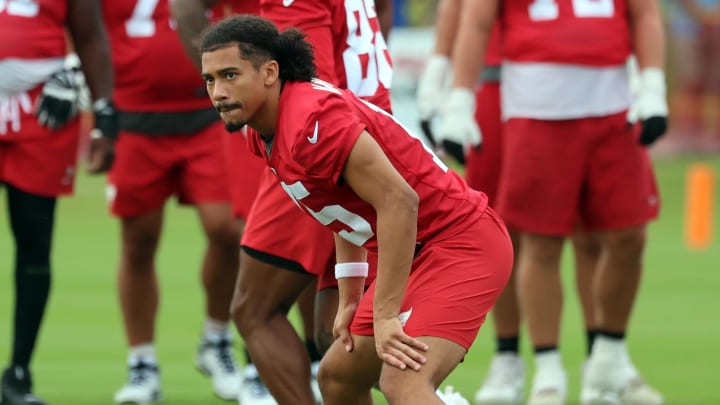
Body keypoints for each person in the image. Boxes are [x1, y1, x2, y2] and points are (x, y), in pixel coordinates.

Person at [199, 14, 514, 405]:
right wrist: (350, 293)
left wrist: (383, 315)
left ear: (269, 72)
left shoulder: (311, 122)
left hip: (460, 245)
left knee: (403, 381)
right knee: (338, 377)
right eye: (210, 80)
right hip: (413, 252)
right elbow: (340, 207)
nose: (219, 92)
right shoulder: (265, 128)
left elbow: (400, 201)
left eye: (231, 75)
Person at [445, 1, 668, 404]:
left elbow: (644, 13)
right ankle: (547, 368)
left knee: (628, 234)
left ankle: (609, 355)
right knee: (540, 242)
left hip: (613, 99)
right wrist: (458, 98)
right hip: (537, 105)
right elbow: (475, 21)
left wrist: (653, 85)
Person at [173, 1, 393, 404]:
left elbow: (310, 82)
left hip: (320, 149)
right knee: (336, 332)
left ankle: (425, 392)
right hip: (375, 137)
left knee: (255, 309)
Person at [98, 1, 243, 403]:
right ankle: (141, 363)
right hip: (135, 116)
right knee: (139, 240)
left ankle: (216, 339)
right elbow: (88, 29)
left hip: (207, 113)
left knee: (228, 229)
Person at [0, 1, 116, 404]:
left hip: (40, 105)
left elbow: (90, 33)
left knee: (34, 242)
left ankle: (18, 374)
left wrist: (99, 108)